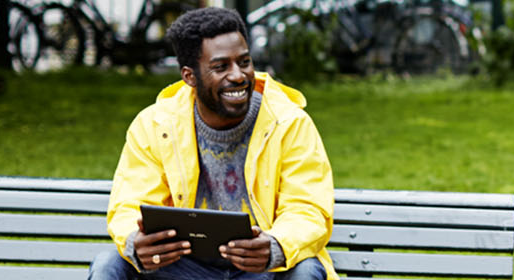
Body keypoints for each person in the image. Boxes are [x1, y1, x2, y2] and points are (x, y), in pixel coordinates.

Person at [87, 7, 336, 280]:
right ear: (189, 76)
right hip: (183, 267)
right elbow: (129, 204)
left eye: (244, 62)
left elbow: (308, 209)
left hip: (261, 270)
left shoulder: (289, 123)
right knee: (110, 262)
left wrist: (276, 246)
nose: (239, 75)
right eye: (221, 66)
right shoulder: (155, 125)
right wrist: (136, 241)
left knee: (307, 269)